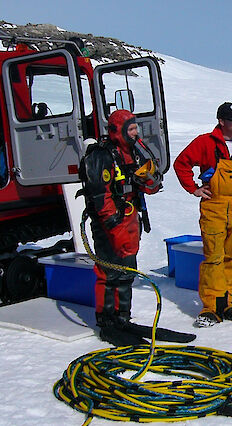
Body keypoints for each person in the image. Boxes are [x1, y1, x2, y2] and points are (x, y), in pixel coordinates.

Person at [174, 102, 232, 328]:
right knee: (213, 257)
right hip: (213, 207)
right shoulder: (204, 143)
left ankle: (228, 303)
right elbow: (182, 164)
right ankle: (211, 307)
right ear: (221, 121)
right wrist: (194, 188)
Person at [80, 109, 162, 345]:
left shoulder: (135, 153)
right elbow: (100, 194)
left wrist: (147, 178)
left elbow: (152, 184)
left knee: (128, 269)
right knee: (109, 270)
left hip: (130, 217)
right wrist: (111, 223)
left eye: (136, 128)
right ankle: (107, 320)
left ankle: (122, 317)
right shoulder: (101, 156)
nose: (135, 133)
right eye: (131, 129)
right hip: (109, 222)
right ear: (117, 131)